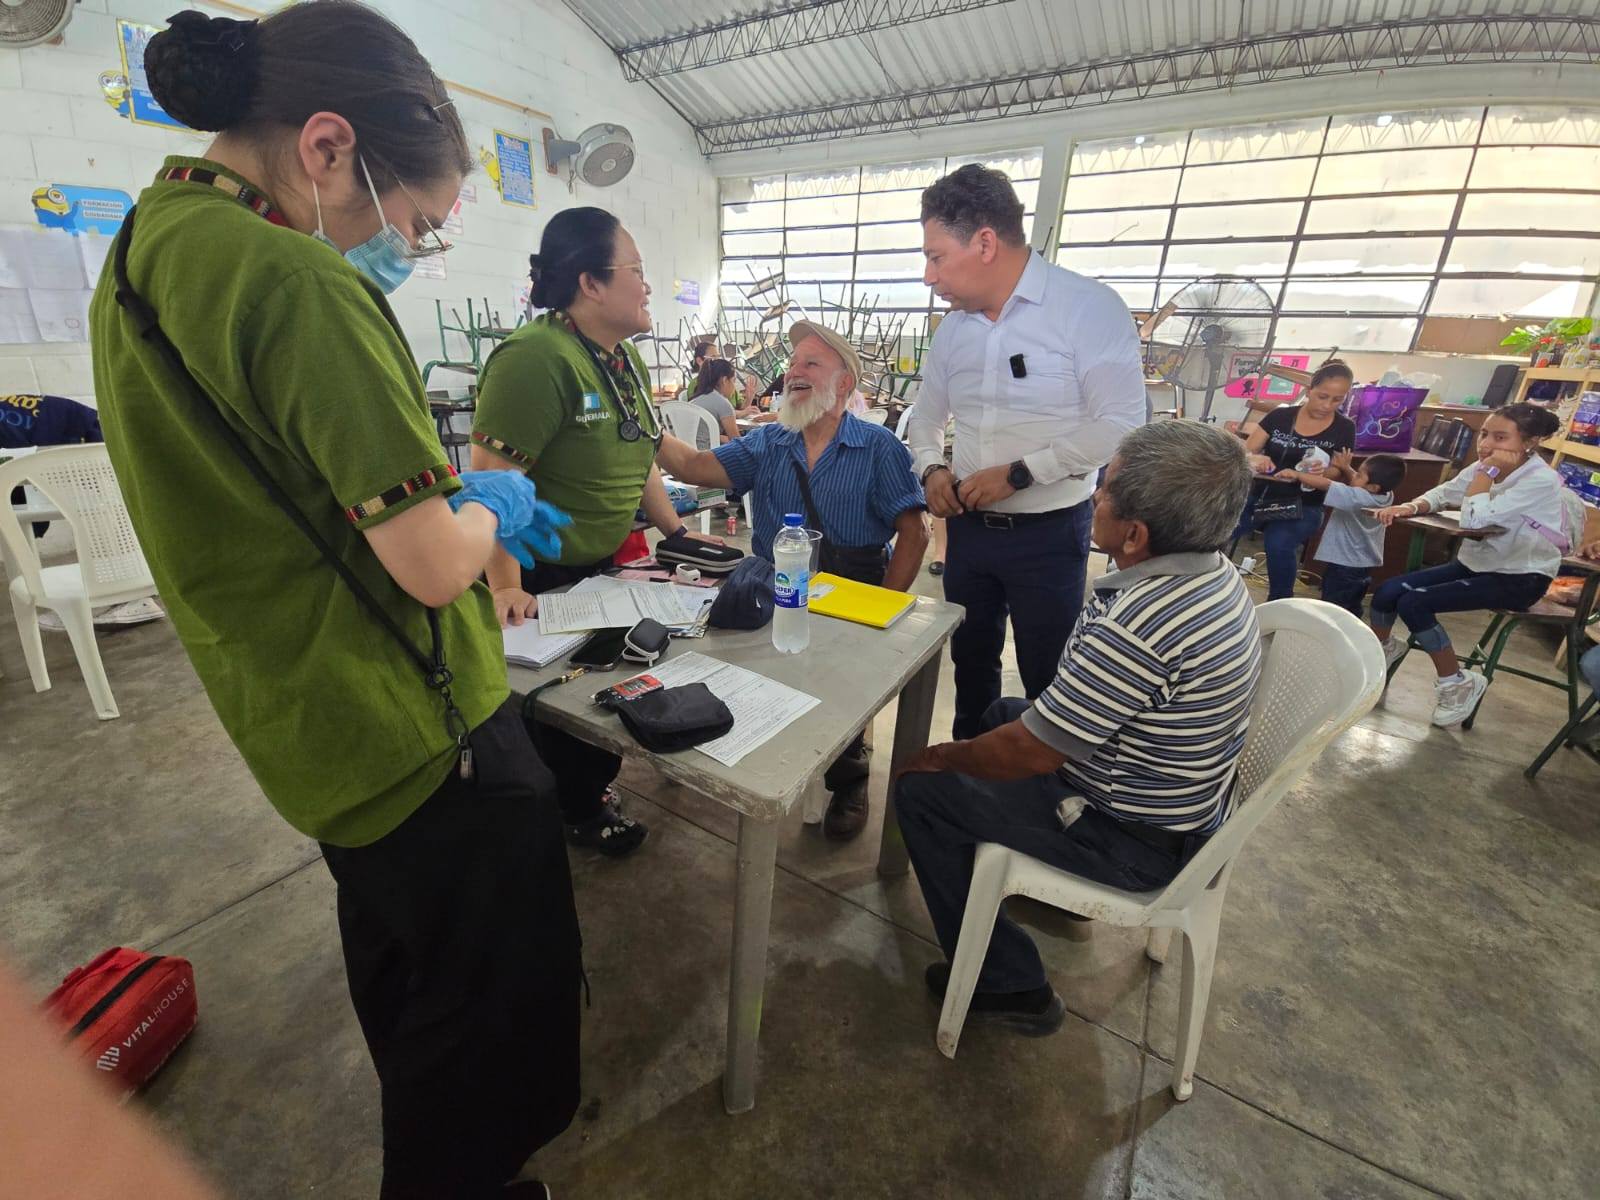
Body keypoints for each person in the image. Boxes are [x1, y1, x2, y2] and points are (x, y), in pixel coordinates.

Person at [87, 6, 578, 1196]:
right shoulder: (293, 277)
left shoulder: (145, 246)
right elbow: (431, 565)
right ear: (326, 147)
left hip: (309, 720)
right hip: (423, 729)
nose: (402, 247)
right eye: (413, 222)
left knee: (410, 981)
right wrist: (488, 505)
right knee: (486, 1022)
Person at [894, 420, 1262, 1032]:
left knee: (922, 791)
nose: (1093, 496)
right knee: (1000, 715)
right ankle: (1025, 882)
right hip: (1171, 804)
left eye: (1106, 489)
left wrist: (935, 758)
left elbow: (1033, 753)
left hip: (1133, 841)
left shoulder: (1141, 624)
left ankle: (1010, 984)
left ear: (1136, 534)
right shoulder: (1210, 573)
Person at [471, 209, 721, 858]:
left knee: (599, 688)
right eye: (636, 269)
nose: (647, 284)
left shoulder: (620, 359)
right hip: (537, 573)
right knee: (556, 712)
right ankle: (574, 811)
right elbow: (491, 480)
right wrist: (505, 586)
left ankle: (583, 791)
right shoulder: (535, 360)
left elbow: (640, 452)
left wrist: (677, 534)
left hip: (598, 567)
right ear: (591, 283)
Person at [656, 322, 928, 839]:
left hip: (852, 583)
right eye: (793, 363)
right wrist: (646, 432)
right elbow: (692, 465)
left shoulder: (878, 447)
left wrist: (882, 609)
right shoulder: (768, 442)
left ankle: (849, 777)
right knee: (755, 669)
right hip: (773, 582)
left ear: (844, 384)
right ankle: (751, 751)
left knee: (845, 692)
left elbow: (915, 532)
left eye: (810, 364)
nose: (792, 373)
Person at [908, 164, 1145, 740]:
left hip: (1049, 536)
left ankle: (1040, 783)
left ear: (985, 243)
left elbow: (1122, 425)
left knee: (1049, 672)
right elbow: (925, 417)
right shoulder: (953, 331)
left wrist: (1019, 474)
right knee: (971, 662)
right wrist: (932, 468)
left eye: (937, 257)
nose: (928, 275)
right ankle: (969, 766)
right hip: (969, 531)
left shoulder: (1086, 308)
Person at [1370, 403, 1569, 727]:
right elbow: (1446, 492)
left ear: (1530, 442)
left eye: (1500, 437)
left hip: (1521, 577)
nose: (1486, 444)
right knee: (1388, 591)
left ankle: (1457, 683)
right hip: (1477, 565)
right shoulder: (1484, 465)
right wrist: (1411, 506)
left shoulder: (1539, 480)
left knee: (1415, 602)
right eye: (1484, 434)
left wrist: (1486, 474)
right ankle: (1380, 651)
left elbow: (1473, 519)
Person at [1233, 360, 1358, 600]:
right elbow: (1247, 451)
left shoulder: (1345, 427)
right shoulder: (1280, 416)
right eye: (1322, 396)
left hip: (1304, 505)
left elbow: (1338, 471)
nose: (1327, 405)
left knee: (1279, 543)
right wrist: (1257, 459)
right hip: (1261, 496)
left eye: (1337, 400)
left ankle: (1280, 603)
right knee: (1215, 530)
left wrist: (1320, 473)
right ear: (1309, 390)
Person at [1269, 449, 1405, 617]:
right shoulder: (1387, 495)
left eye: (1359, 475)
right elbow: (1359, 484)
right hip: (1362, 563)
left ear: (1373, 487)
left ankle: (1330, 630)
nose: (1354, 476)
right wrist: (1347, 468)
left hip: (1345, 564)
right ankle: (1352, 628)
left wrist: (1297, 474)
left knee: (1333, 608)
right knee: (1351, 606)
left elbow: (1327, 484)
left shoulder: (1357, 497)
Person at [685, 358, 741, 447]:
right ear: (725, 380)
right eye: (734, 381)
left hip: (687, 451)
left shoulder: (696, 399)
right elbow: (737, 442)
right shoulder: (723, 403)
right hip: (708, 453)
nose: (735, 387)